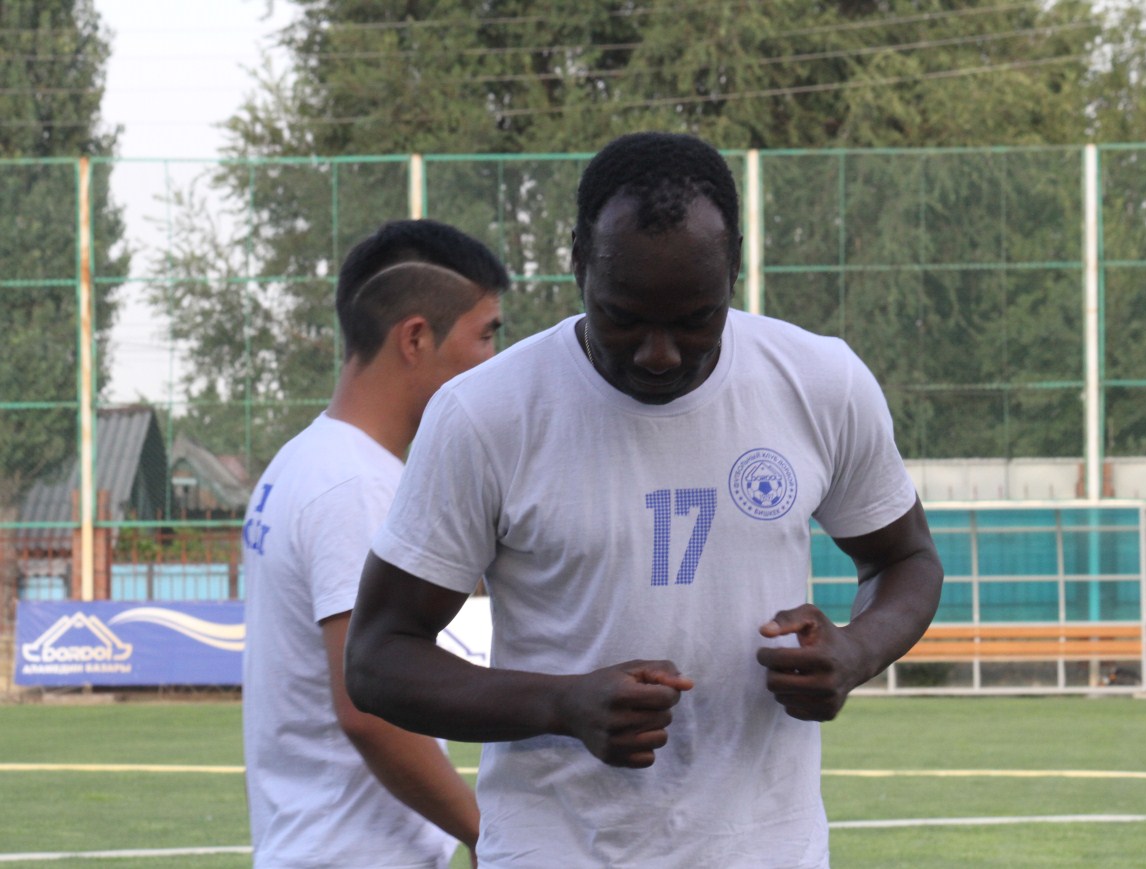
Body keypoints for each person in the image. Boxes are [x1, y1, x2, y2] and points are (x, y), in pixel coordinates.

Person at [345, 133, 943, 868]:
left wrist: (855, 649)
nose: (659, 353)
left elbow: (906, 559)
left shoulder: (820, 381)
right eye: (623, 316)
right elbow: (377, 658)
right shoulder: (485, 414)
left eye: (696, 319)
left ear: (733, 267)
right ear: (578, 262)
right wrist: (560, 704)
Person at [241, 219, 510, 868]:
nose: (495, 362)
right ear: (415, 337)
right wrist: (487, 833)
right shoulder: (356, 486)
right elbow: (368, 710)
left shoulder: (303, 460)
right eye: (485, 335)